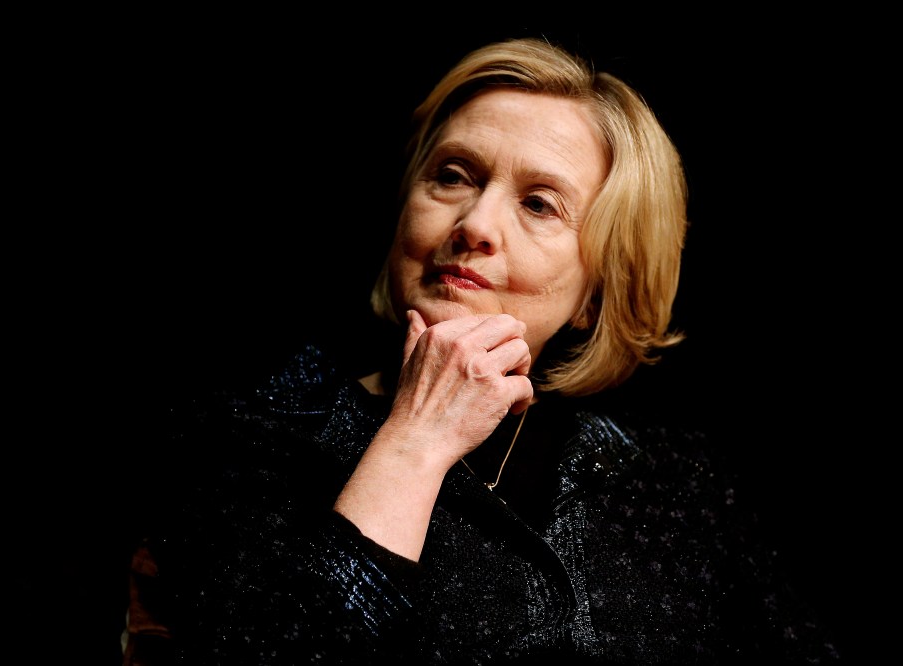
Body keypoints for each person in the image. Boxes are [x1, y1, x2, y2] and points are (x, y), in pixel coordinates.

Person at [121, 36, 840, 665]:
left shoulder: (675, 484)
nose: (475, 223)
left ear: (597, 292)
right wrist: (416, 439)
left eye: (539, 204)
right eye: (454, 175)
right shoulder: (247, 437)